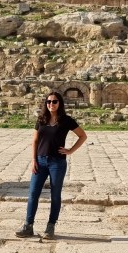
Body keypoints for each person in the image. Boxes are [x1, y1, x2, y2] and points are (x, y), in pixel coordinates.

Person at [16, 91, 87, 240]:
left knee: (55, 195)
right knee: (33, 194)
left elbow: (83, 136)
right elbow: (35, 141)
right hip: (40, 161)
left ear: (59, 103)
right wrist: (34, 160)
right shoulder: (41, 119)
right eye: (48, 102)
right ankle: (28, 226)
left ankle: (51, 226)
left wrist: (70, 150)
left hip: (57, 163)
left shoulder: (66, 120)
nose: (51, 104)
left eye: (54, 102)